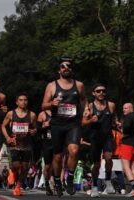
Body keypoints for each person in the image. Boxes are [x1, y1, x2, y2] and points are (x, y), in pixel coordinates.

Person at [41, 57, 87, 196]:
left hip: (73, 123)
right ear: (59, 70)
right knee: (58, 157)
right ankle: (57, 182)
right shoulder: (51, 85)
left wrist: (85, 111)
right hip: (57, 124)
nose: (66, 68)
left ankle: (71, 179)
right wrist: (51, 104)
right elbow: (43, 105)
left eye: (69, 66)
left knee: (73, 150)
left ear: (71, 69)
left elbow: (84, 98)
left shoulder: (79, 85)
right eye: (63, 66)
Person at [82, 83, 117, 197]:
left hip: (107, 137)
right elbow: (82, 123)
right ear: (94, 93)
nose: (101, 93)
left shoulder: (111, 105)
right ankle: (95, 187)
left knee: (109, 158)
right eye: (98, 91)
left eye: (103, 90)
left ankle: (108, 181)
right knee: (96, 165)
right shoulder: (90, 107)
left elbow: (114, 119)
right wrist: (91, 120)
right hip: (95, 138)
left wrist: (117, 123)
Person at [2, 92, 37, 196]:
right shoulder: (11, 114)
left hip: (26, 144)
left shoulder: (32, 115)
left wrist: (34, 131)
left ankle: (18, 186)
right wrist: (7, 137)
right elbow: (3, 126)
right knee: (16, 165)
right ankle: (12, 171)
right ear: (17, 102)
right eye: (21, 100)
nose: (23, 102)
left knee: (25, 167)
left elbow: (35, 128)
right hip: (14, 143)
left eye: (25, 100)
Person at [37, 110, 54, 196]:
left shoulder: (61, 111)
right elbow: (37, 129)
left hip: (58, 142)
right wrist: (44, 126)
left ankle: (56, 184)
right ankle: (47, 184)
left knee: (58, 164)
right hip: (47, 143)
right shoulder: (43, 114)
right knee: (48, 166)